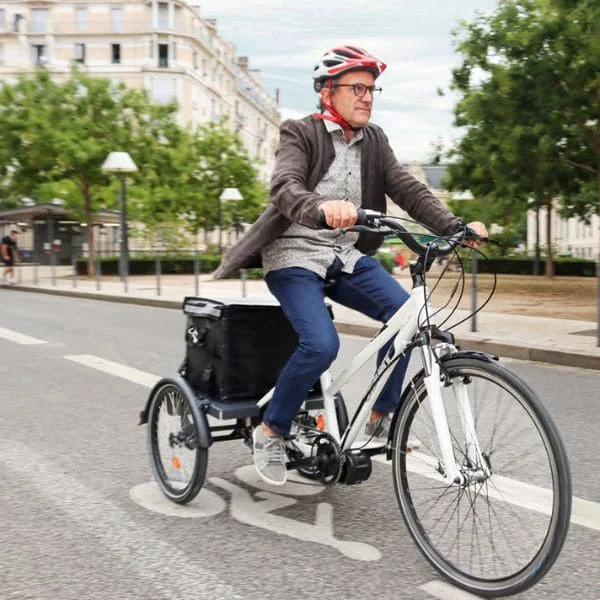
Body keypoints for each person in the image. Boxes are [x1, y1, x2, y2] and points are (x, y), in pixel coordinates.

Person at [214, 45, 487, 486]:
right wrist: (322, 207)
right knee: (321, 344)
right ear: (327, 92)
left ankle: (382, 414)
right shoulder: (300, 132)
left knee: (410, 319)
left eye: (371, 88)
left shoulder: (374, 140)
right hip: (294, 255)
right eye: (357, 88)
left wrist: (455, 226)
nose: (367, 96)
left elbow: (409, 190)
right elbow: (285, 187)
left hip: (344, 255)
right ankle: (272, 429)